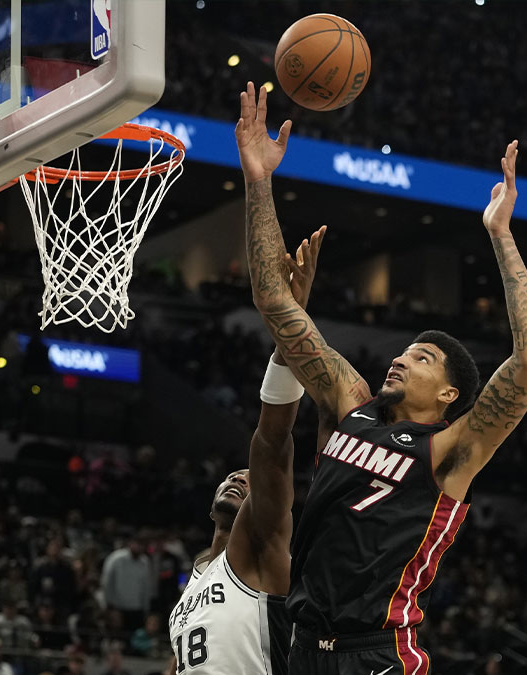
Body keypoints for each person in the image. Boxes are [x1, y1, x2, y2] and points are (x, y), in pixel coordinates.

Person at [235, 82, 527, 674]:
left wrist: (501, 235)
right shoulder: (351, 402)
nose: (401, 360)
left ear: (450, 394)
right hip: (303, 646)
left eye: (422, 358)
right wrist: (259, 181)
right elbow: (274, 300)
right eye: (404, 352)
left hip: (377, 654)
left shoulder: (451, 451)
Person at [165, 228, 324, 675]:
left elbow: (272, 442)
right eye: (233, 475)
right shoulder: (194, 582)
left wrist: (289, 326)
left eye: (250, 480)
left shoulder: (259, 546)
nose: (240, 476)